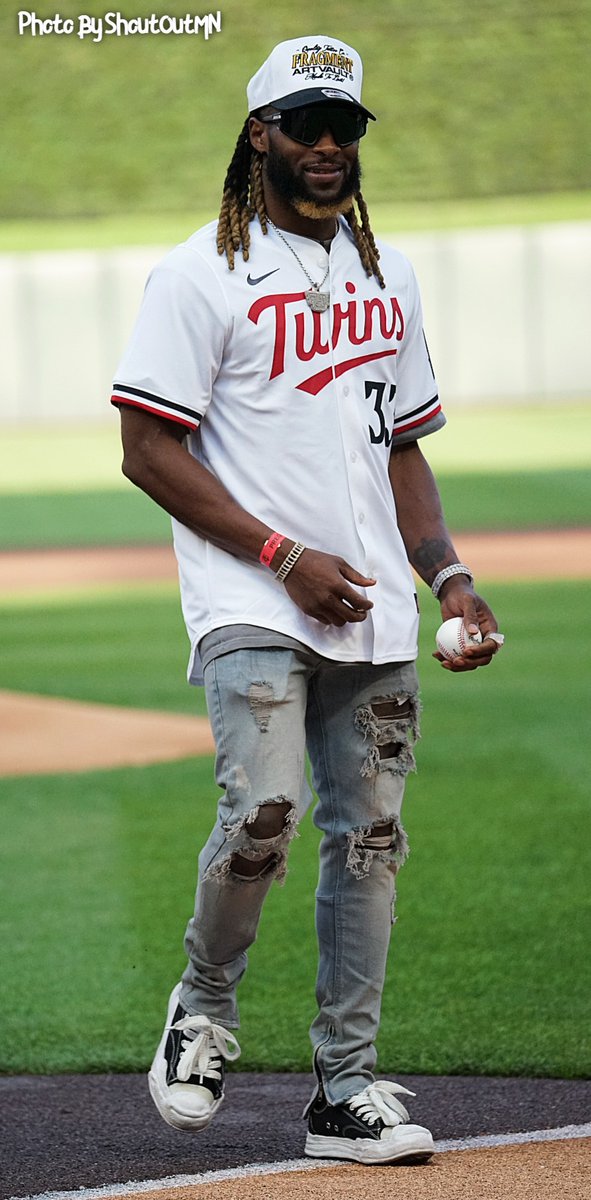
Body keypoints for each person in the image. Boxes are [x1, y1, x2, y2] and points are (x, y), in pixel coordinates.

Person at [112, 34, 503, 1166]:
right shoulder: (199, 274)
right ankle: (203, 1012)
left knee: (372, 838)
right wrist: (283, 556)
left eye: (345, 127)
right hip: (252, 595)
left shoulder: (389, 277)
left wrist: (452, 577)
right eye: (304, 124)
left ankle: (344, 1089)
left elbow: (405, 449)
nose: (327, 146)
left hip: (375, 607)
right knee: (263, 816)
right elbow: (147, 449)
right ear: (259, 133)